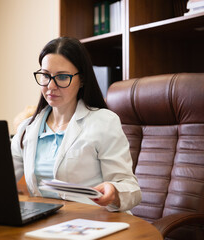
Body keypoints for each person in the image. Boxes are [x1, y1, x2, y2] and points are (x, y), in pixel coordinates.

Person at [11, 37, 141, 212]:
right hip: (45, 225)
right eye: (45, 75)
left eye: (62, 77)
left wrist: (115, 191)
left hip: (94, 224)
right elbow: (0, 181)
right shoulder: (27, 128)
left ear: (82, 80)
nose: (51, 85)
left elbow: (130, 187)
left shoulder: (104, 121)